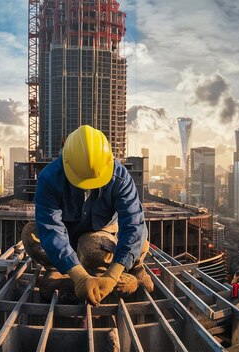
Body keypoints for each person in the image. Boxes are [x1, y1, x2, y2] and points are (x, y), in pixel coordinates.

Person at [22, 125, 153, 306]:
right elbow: (50, 229)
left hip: (101, 233)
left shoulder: (120, 177)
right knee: (31, 234)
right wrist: (80, 277)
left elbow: (134, 224)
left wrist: (113, 275)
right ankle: (64, 271)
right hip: (67, 235)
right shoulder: (50, 178)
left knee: (91, 246)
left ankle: (128, 269)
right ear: (66, 162)